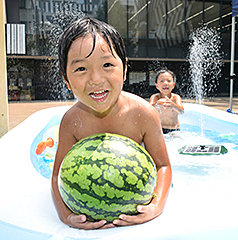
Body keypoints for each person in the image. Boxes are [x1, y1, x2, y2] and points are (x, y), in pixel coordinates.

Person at [51, 17, 172, 230]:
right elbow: (57, 176)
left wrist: (157, 205)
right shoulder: (72, 122)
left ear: (124, 69)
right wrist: (66, 216)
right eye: (81, 69)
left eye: (107, 64)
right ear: (66, 79)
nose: (96, 79)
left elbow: (163, 166)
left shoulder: (143, 113)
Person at [149, 69, 184, 134]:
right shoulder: (155, 97)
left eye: (169, 81)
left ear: (173, 85)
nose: (165, 83)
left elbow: (181, 111)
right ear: (156, 85)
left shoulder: (175, 97)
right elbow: (148, 109)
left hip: (174, 129)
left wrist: (173, 105)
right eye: (161, 81)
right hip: (159, 129)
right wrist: (156, 104)